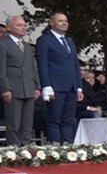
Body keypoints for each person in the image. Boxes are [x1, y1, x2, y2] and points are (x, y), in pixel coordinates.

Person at [35, 11, 83, 144]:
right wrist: (46, 86)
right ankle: (56, 147)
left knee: (68, 120)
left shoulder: (69, 41)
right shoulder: (44, 40)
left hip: (71, 87)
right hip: (55, 86)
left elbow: (75, 65)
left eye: (66, 21)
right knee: (54, 119)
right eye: (60, 21)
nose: (64, 23)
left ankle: (67, 147)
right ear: (51, 23)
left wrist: (78, 87)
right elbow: (42, 64)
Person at [1, 15, 39, 145]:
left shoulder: (27, 47)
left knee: (27, 124)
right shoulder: (3, 45)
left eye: (24, 25)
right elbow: (1, 69)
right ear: (9, 28)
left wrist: (37, 86)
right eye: (19, 25)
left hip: (28, 88)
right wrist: (5, 88)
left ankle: (26, 150)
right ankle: (14, 152)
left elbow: (33, 67)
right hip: (13, 88)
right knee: (14, 124)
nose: (23, 28)